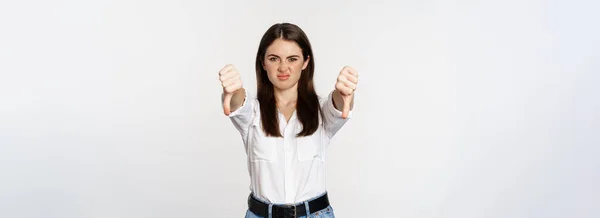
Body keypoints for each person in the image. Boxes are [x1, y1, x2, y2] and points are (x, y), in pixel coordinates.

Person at [218, 23, 358, 218]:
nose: (283, 67)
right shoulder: (253, 114)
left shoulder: (321, 112)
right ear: (263, 62)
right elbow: (237, 102)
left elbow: (338, 104)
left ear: (306, 62)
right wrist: (231, 90)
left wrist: (344, 92)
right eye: (274, 58)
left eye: (292, 59)